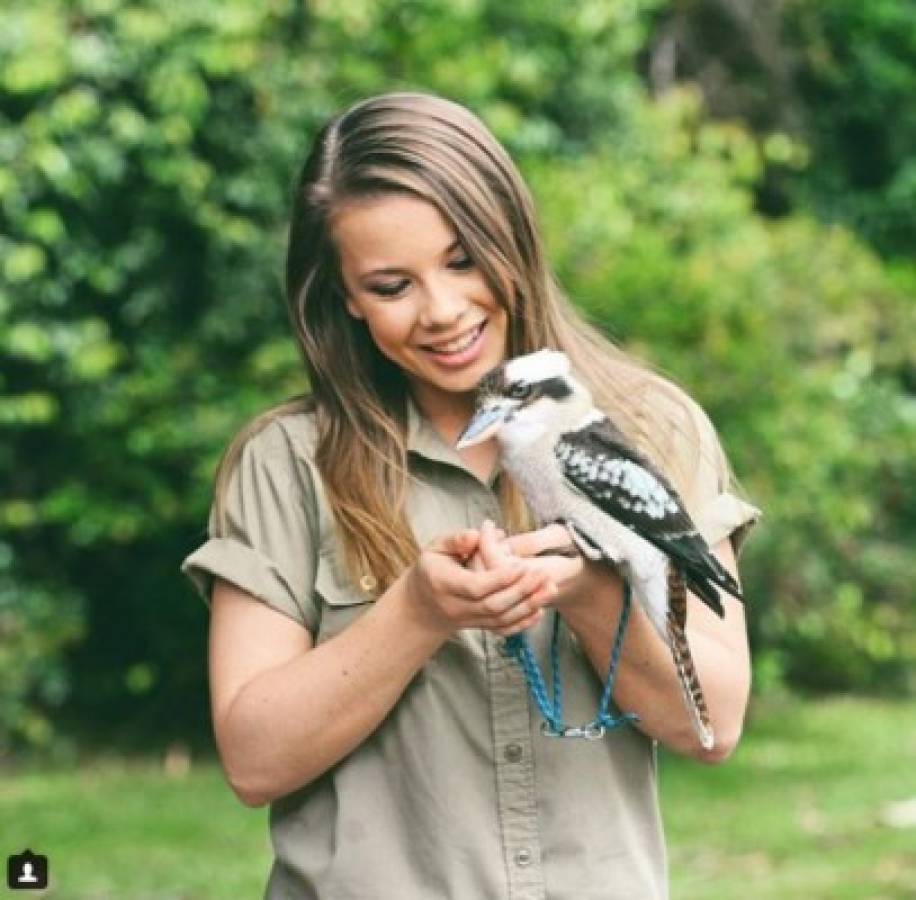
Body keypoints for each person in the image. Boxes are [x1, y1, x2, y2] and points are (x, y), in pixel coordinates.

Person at [181, 91, 761, 900]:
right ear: (344, 296)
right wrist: (417, 612)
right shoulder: (284, 463)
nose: (443, 311)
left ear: (512, 238)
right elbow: (252, 761)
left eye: (463, 260)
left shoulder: (651, 428)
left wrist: (590, 588)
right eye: (391, 285)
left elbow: (712, 726)